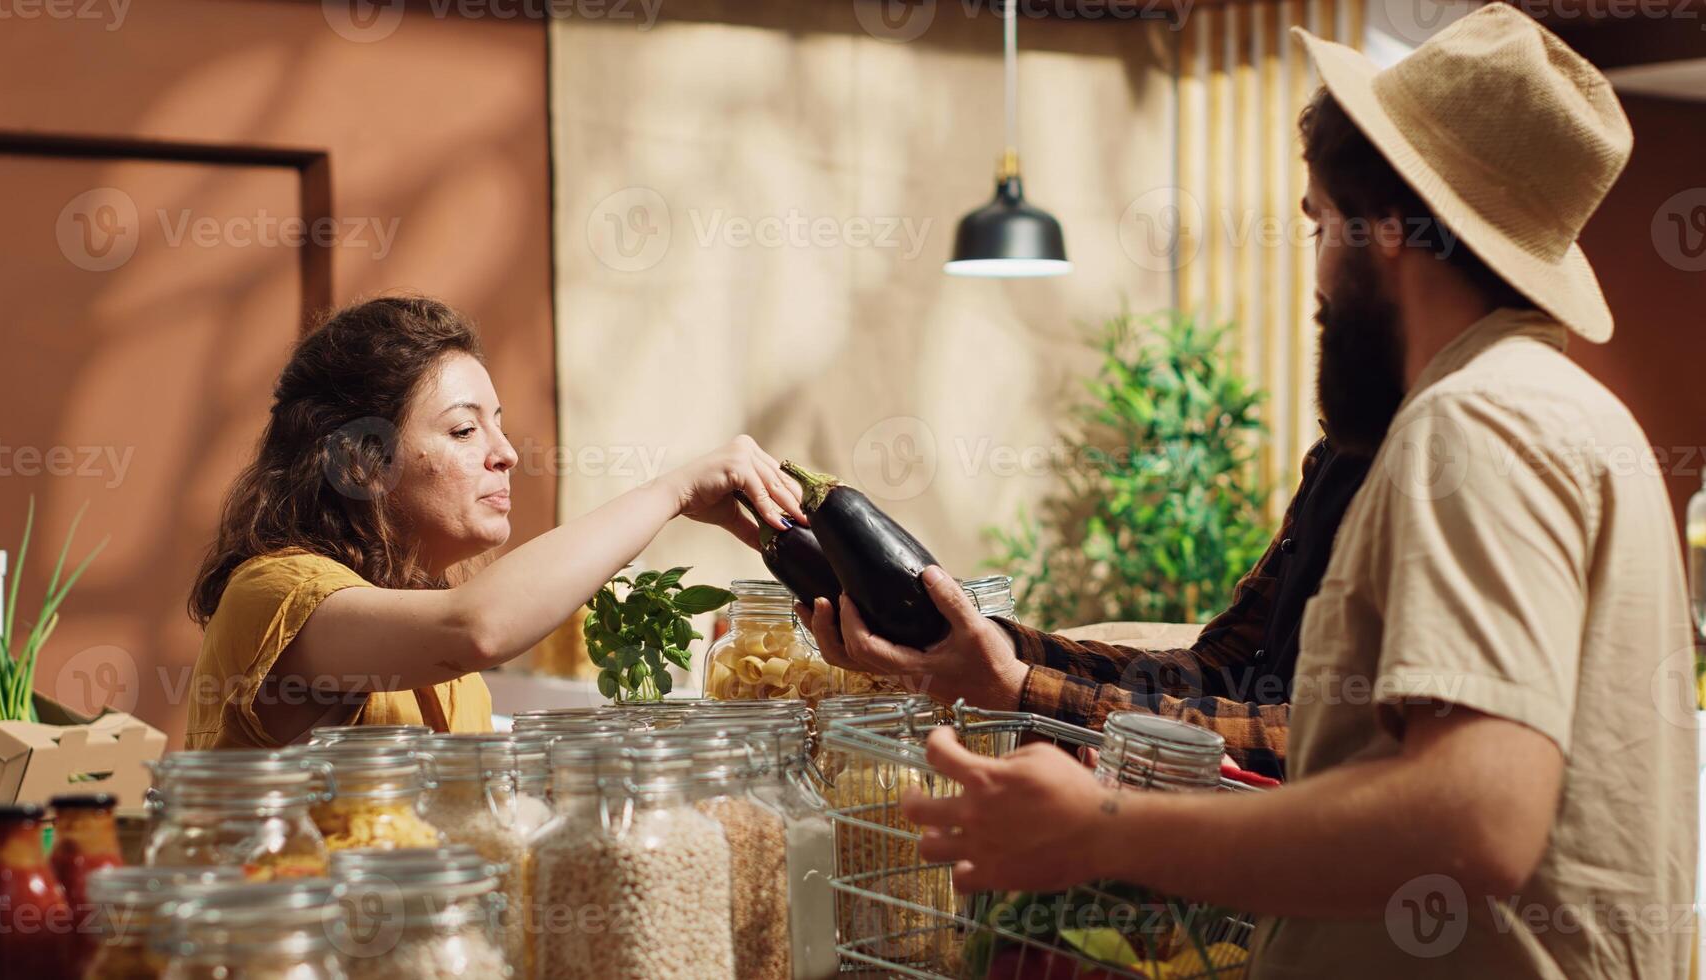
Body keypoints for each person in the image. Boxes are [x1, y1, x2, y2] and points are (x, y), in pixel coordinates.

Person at [900, 7, 1697, 977]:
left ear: (1391, 227)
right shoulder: (1566, 411)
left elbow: (1477, 812)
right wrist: (1017, 673)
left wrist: (1104, 830)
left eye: (1321, 222)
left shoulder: (1473, 423)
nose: (1316, 272)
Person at [184, 296, 804, 749]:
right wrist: (673, 490)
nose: (505, 453)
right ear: (361, 462)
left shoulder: (422, 611)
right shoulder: (272, 595)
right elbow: (476, 628)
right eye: (462, 429)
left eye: (498, 423)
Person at [805, 437, 1370, 778]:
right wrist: (1005, 649)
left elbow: (1325, 741)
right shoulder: (1339, 452)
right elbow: (1224, 668)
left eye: (1331, 233)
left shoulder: (1430, 460)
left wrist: (1020, 691)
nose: (1320, 265)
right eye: (1317, 231)